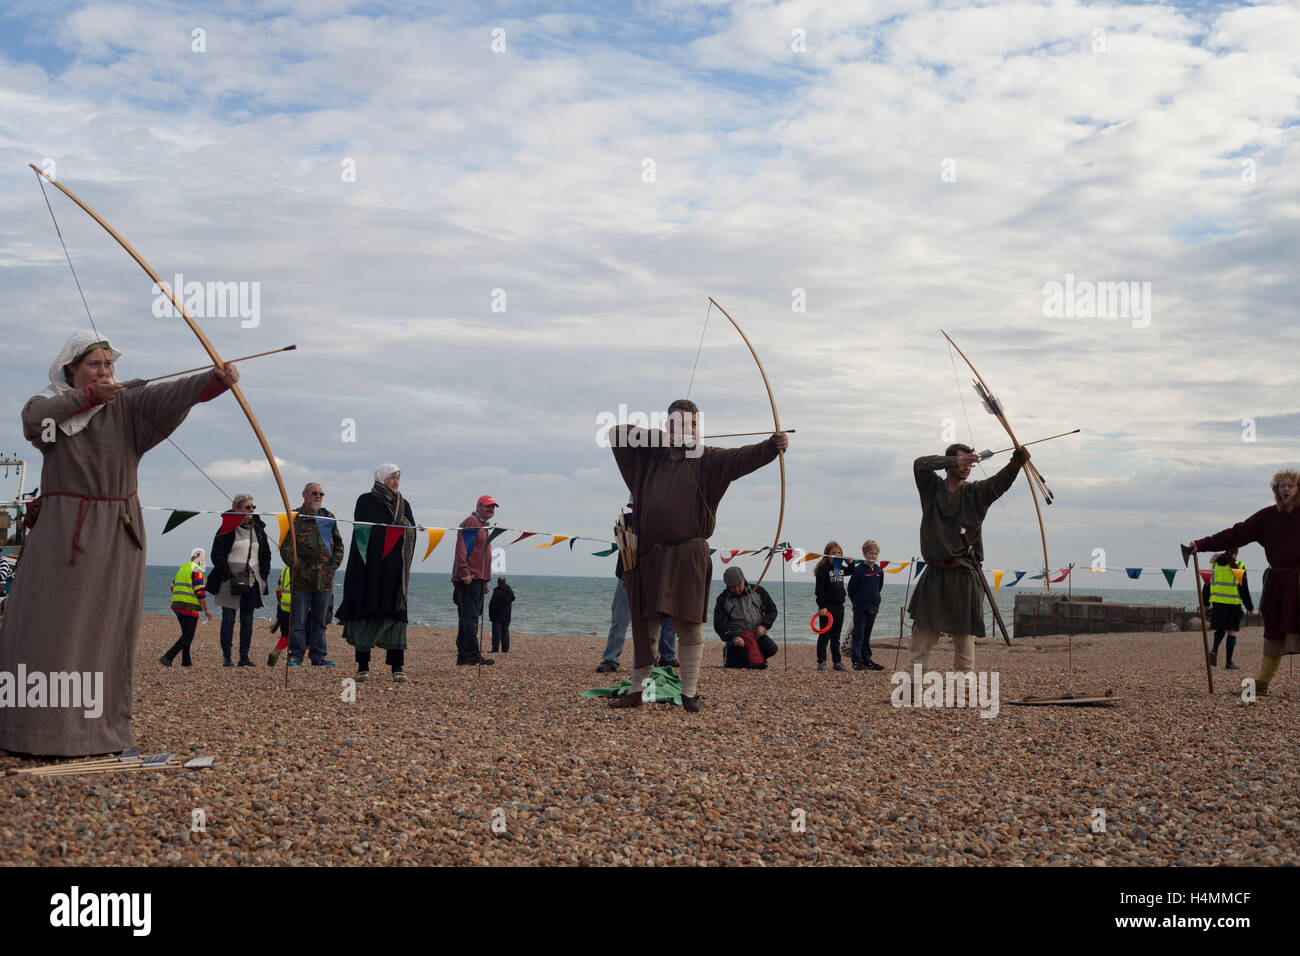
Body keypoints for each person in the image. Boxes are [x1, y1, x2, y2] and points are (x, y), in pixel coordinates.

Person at [0, 329, 240, 756]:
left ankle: (98, 730)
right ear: (72, 370)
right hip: (61, 532)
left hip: (116, 530)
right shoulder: (51, 406)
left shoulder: (128, 405)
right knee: (46, 625)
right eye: (95, 364)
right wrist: (89, 396)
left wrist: (214, 380)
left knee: (106, 629)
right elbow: (35, 423)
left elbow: (173, 393)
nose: (106, 371)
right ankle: (34, 730)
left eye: (110, 364)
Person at [606, 398, 789, 712]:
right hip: (648, 554)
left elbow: (744, 457)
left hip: (689, 554)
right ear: (668, 425)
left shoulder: (710, 459)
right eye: (678, 423)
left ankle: (689, 694)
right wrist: (659, 438)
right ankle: (636, 691)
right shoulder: (648, 458)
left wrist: (772, 446)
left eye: (692, 424)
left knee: (689, 626)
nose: (687, 429)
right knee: (645, 624)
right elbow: (616, 433)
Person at [907, 443, 1028, 673]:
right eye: (962, 462)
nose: (967, 467)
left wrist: (1015, 464)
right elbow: (920, 464)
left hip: (964, 575)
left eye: (970, 463)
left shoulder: (975, 493)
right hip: (935, 574)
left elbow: (999, 483)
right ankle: (913, 688)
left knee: (964, 641)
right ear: (950, 463)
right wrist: (956, 460)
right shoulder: (931, 488)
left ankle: (963, 693)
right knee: (922, 636)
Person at [1189, 469, 1299, 696]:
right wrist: (1200, 544)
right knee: (1274, 632)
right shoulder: (1266, 517)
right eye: (1281, 486)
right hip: (1277, 584)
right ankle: (1263, 683)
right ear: (1276, 490)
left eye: (1290, 485)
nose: (1286, 489)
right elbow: (1235, 534)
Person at [336, 464, 417, 682]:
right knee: (366, 610)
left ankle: (397, 667)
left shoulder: (403, 504)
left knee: (395, 614)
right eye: (391, 477)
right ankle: (363, 666)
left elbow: (410, 530)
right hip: (368, 567)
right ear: (381, 478)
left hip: (394, 569)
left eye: (398, 477)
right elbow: (365, 530)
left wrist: (404, 531)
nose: (395, 481)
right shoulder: (365, 500)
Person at [280, 482, 342, 666]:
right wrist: (295, 564)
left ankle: (318, 656)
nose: (318, 497)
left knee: (320, 621)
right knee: (298, 621)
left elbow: (338, 545)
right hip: (301, 579)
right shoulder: (293, 517)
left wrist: (332, 567)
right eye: (314, 493)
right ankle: (295, 656)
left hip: (324, 579)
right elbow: (285, 547)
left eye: (321, 494)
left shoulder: (329, 517)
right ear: (304, 494)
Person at [209, 493, 271, 666]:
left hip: (252, 580)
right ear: (237, 509)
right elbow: (217, 554)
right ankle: (227, 657)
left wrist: (263, 575)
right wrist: (227, 573)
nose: (251, 510)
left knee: (248, 619)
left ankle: (244, 656)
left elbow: (266, 554)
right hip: (230, 579)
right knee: (228, 618)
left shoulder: (258, 529)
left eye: (253, 507)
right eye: (247, 507)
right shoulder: (226, 528)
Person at [596, 553, 679, 673]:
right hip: (629, 571)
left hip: (659, 573)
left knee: (665, 616)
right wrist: (624, 571)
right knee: (620, 618)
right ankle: (610, 659)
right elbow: (624, 542)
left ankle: (665, 656)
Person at [453, 495, 498, 665]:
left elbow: (483, 555)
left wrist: (485, 581)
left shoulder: (483, 526)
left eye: (493, 507)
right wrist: (464, 571)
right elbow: (462, 548)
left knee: (468, 618)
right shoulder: (471, 522)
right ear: (478, 506)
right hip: (468, 578)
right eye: (487, 506)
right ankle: (471, 654)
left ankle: (464, 656)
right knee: (470, 618)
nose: (491, 510)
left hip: (478, 579)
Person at [714, 565, 778, 668]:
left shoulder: (758, 591)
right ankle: (731, 652)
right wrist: (733, 637)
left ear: (743, 579)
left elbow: (772, 610)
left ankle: (759, 657)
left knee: (772, 648)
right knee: (737, 664)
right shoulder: (722, 599)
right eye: (732, 587)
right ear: (727, 585)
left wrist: (764, 625)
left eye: (739, 585)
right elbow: (719, 625)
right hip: (738, 640)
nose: (736, 589)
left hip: (757, 635)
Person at [1200, 548, 1254, 670]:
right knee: (1232, 632)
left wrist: (1205, 602)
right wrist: (1249, 607)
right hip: (1233, 604)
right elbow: (1243, 589)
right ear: (1235, 553)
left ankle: (1214, 649)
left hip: (1217, 603)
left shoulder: (1214, 565)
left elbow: (1207, 584)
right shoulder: (1239, 566)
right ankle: (1228, 663)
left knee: (1220, 629)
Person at [160, 547, 214, 666]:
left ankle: (186, 661)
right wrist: (207, 610)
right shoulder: (196, 570)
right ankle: (168, 657)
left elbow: (173, 587)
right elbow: (200, 591)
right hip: (189, 606)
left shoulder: (183, 568)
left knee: (186, 633)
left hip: (177, 605)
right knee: (188, 636)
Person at [847, 539, 886, 670]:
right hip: (860, 607)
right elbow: (851, 589)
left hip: (873, 606)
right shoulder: (858, 570)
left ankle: (867, 659)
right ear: (864, 554)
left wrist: (874, 601)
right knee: (858, 635)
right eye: (870, 553)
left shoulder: (879, 570)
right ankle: (856, 660)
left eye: (875, 554)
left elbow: (878, 587)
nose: (873, 556)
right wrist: (858, 602)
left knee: (867, 635)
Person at [814, 542, 852, 671]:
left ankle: (837, 662)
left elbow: (852, 571)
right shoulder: (823, 569)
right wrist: (822, 606)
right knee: (824, 635)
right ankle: (822, 661)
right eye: (833, 553)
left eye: (838, 553)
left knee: (836, 636)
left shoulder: (840, 568)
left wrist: (850, 562)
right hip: (827, 607)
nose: (836, 555)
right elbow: (819, 590)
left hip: (839, 606)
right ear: (827, 555)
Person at [267, 563, 291, 666]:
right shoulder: (304, 566)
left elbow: (277, 589)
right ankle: (294, 659)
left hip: (284, 607)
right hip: (301, 607)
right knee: (305, 635)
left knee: (286, 634)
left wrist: (280, 602)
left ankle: (276, 652)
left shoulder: (285, 569)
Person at [489, 576, 515, 653]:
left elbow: (492, 605)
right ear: (505, 582)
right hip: (507, 615)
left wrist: (491, 615)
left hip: (497, 615)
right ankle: (505, 649)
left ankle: (495, 649)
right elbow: (512, 598)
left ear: (498, 583)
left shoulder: (497, 592)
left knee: (496, 633)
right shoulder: (510, 592)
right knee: (505, 631)